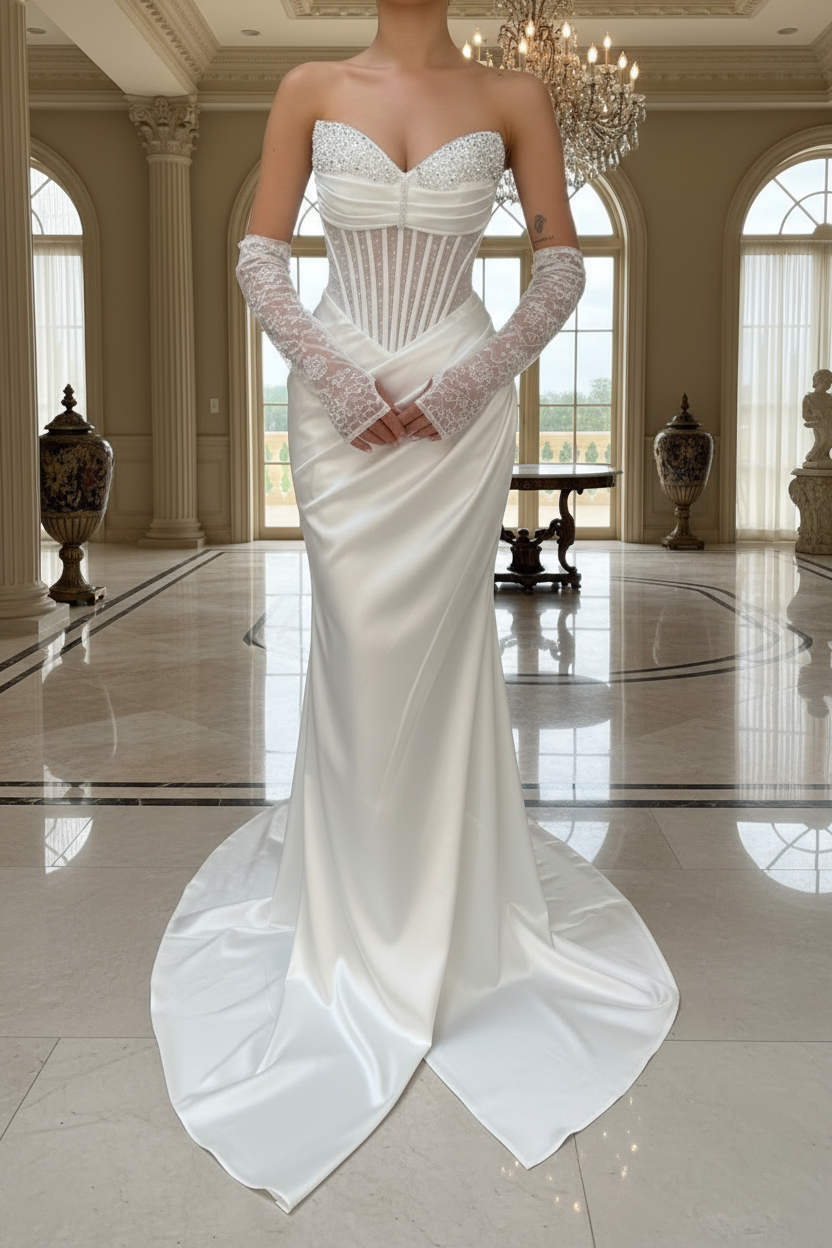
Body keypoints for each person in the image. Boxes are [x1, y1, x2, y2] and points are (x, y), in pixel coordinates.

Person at [150, 0, 679, 1214]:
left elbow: (558, 265)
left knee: (440, 656)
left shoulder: (515, 98)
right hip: (337, 401)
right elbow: (257, 254)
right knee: (355, 652)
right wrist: (333, 374)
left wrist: (467, 380)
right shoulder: (306, 86)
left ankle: (440, 908)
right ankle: (346, 910)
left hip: (456, 391)